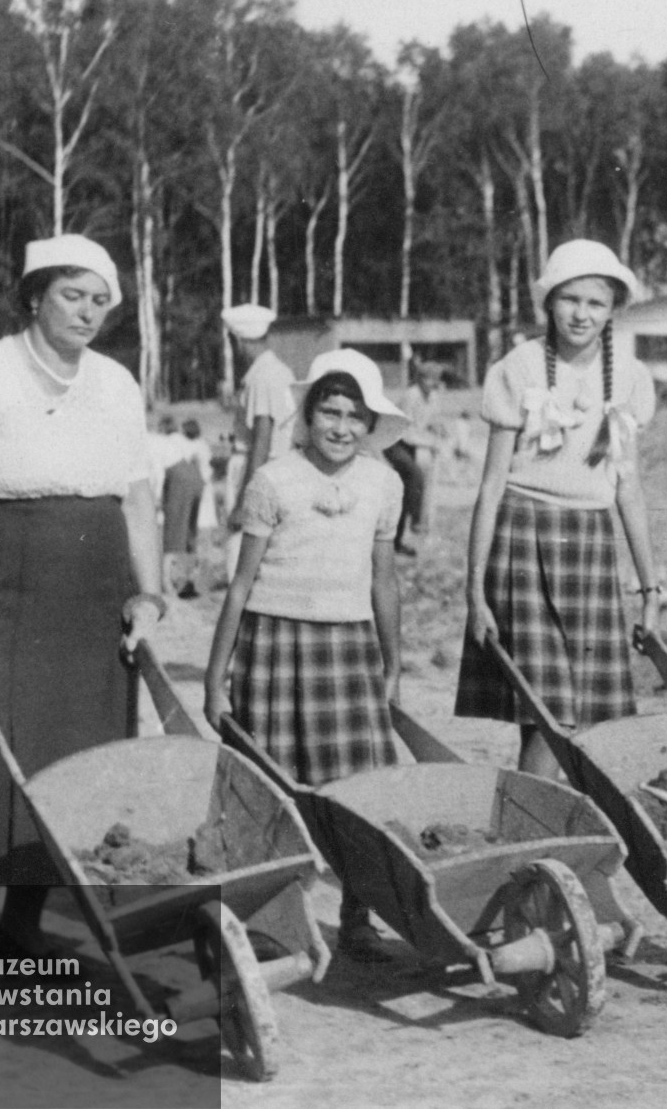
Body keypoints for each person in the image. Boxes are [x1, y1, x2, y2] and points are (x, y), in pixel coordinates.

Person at [0, 233, 166, 961]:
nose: (87, 312)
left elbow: (138, 501)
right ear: (35, 297)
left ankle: (22, 926)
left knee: (78, 765)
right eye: (72, 295)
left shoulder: (117, 384)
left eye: (100, 300)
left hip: (94, 597)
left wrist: (149, 596)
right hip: (3, 587)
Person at [204, 348, 407, 961]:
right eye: (330, 412)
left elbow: (384, 580)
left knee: (360, 790)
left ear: (371, 424)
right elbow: (241, 584)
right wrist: (214, 681)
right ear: (309, 414)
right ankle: (267, 921)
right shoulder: (274, 481)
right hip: (275, 647)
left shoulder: (383, 484)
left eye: (355, 416)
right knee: (270, 787)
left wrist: (393, 663)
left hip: (349, 648)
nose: (341, 427)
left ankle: (358, 917)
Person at [455, 239, 662, 779]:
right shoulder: (518, 367)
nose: (581, 314)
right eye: (570, 299)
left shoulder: (630, 377)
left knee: (586, 719)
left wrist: (650, 592)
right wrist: (475, 592)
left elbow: (629, 490)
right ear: (548, 302)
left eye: (595, 303)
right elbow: (491, 485)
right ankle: (526, 817)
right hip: (523, 542)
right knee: (546, 715)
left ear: (613, 310)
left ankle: (551, 816)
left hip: (590, 547)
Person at [222, 303, 298, 557]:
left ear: (237, 341)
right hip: (276, 471)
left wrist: (244, 503)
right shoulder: (280, 370)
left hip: (254, 470)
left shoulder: (260, 377)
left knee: (239, 554)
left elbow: (261, 440)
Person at [384, 362, 447, 556]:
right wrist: (430, 443)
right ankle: (417, 521)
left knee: (405, 491)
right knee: (415, 475)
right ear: (419, 379)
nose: (432, 383)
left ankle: (397, 541)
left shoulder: (433, 396)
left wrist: (439, 428)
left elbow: (432, 420)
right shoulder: (411, 395)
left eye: (435, 380)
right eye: (428, 379)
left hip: (410, 445)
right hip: (394, 441)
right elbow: (406, 433)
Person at [158, 418, 211, 598]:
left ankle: (169, 583)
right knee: (189, 535)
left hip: (178, 479)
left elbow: (159, 471)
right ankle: (190, 581)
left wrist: (159, 499)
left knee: (173, 534)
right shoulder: (196, 443)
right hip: (196, 481)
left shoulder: (166, 441)